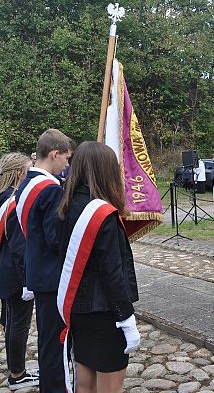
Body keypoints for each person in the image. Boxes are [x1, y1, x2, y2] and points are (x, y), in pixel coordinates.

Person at [57, 141, 140, 393]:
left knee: (85, 385)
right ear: (106, 172)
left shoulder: (66, 207)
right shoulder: (102, 214)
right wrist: (126, 318)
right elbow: (112, 273)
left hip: (78, 310)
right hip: (106, 314)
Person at [15, 128, 71, 392]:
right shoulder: (49, 189)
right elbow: (54, 238)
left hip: (38, 271)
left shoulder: (26, 183)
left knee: (48, 338)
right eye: (66, 158)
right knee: (55, 341)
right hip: (52, 275)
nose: (67, 164)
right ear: (54, 154)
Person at [0, 152, 40, 390]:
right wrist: (28, 280)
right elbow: (18, 246)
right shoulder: (12, 202)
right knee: (18, 323)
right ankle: (17, 374)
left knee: (11, 321)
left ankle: (17, 369)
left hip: (5, 271)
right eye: (28, 169)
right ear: (18, 174)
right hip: (14, 273)